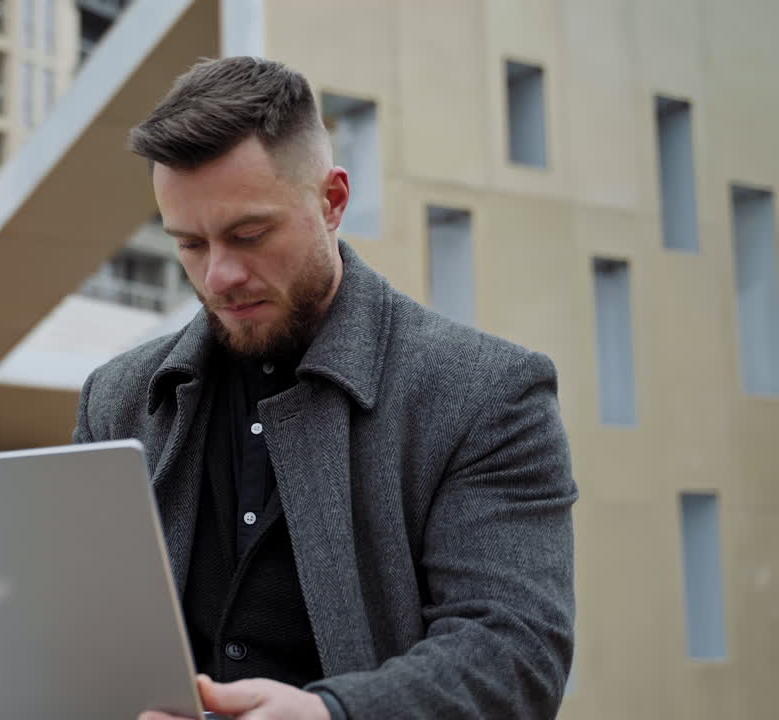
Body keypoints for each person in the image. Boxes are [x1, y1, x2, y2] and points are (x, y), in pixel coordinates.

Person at [72, 57, 577, 720]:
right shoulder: (117, 399)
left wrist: (333, 715)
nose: (219, 275)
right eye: (190, 244)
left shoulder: (488, 395)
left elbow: (514, 654)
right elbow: (83, 632)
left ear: (333, 200)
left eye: (249, 234)